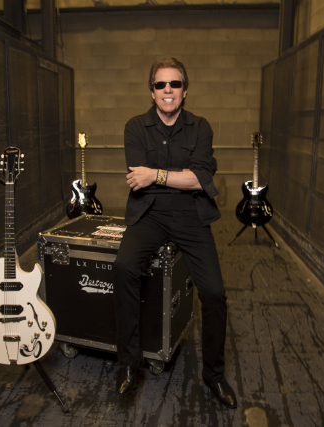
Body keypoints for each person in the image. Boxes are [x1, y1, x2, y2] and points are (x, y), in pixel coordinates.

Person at [112, 57, 237, 409]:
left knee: (214, 293)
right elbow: (138, 178)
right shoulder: (136, 126)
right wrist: (177, 177)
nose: (168, 90)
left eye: (175, 84)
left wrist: (155, 175)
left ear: (185, 90)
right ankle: (129, 364)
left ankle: (213, 375)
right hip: (149, 214)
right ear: (152, 92)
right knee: (123, 267)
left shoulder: (201, 127)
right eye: (161, 84)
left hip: (191, 216)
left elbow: (200, 180)